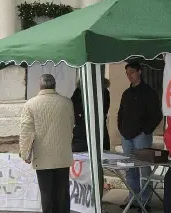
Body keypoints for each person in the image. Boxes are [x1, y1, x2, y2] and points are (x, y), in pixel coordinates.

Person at [19, 74, 74, 213]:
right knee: (62, 192)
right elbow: (71, 124)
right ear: (54, 85)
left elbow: (26, 131)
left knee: (46, 193)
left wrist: (25, 153)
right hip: (63, 154)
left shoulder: (30, 104)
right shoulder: (67, 102)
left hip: (42, 156)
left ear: (40, 86)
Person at [118, 62, 163, 211]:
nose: (129, 75)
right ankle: (133, 199)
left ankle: (145, 201)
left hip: (141, 136)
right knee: (130, 169)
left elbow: (157, 114)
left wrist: (145, 130)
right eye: (127, 73)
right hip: (126, 136)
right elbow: (120, 113)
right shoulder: (126, 93)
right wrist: (121, 128)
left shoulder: (148, 92)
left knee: (144, 169)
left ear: (140, 72)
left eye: (132, 72)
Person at [71, 78, 111, 200]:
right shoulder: (78, 93)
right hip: (83, 135)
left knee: (94, 167)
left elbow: (102, 110)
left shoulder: (103, 92)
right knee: (83, 167)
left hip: (95, 134)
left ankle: (93, 197)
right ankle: (84, 197)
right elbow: (75, 110)